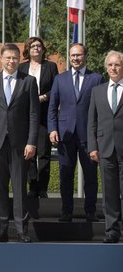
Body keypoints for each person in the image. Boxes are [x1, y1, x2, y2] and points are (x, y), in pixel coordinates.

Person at [0, 43, 39, 243]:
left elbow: (33, 115)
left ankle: (22, 230)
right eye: (8, 58)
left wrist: (32, 142)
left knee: (20, 189)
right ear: (1, 59)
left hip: (20, 145)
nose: (11, 61)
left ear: (18, 59)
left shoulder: (29, 82)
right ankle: (1, 230)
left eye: (15, 58)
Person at [48, 43, 103, 222]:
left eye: (79, 55)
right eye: (73, 55)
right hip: (65, 134)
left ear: (85, 56)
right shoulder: (60, 79)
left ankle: (90, 212)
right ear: (69, 57)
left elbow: (101, 110)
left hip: (89, 135)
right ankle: (66, 212)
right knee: (65, 176)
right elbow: (52, 107)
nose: (76, 58)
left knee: (91, 177)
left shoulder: (96, 78)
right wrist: (52, 128)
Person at [87, 50, 123, 243]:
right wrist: (93, 147)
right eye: (110, 65)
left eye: (117, 64)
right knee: (109, 194)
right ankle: (112, 231)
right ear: (106, 67)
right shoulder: (97, 91)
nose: (113, 68)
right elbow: (91, 122)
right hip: (105, 149)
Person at [18, 37, 58, 198]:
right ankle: (32, 185)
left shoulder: (50, 66)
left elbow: (56, 89)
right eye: (32, 46)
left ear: (43, 49)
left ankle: (43, 188)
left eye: (39, 46)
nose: (36, 48)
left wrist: (42, 97)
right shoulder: (21, 67)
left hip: (43, 115)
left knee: (43, 153)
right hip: (25, 116)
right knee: (28, 153)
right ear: (27, 49)